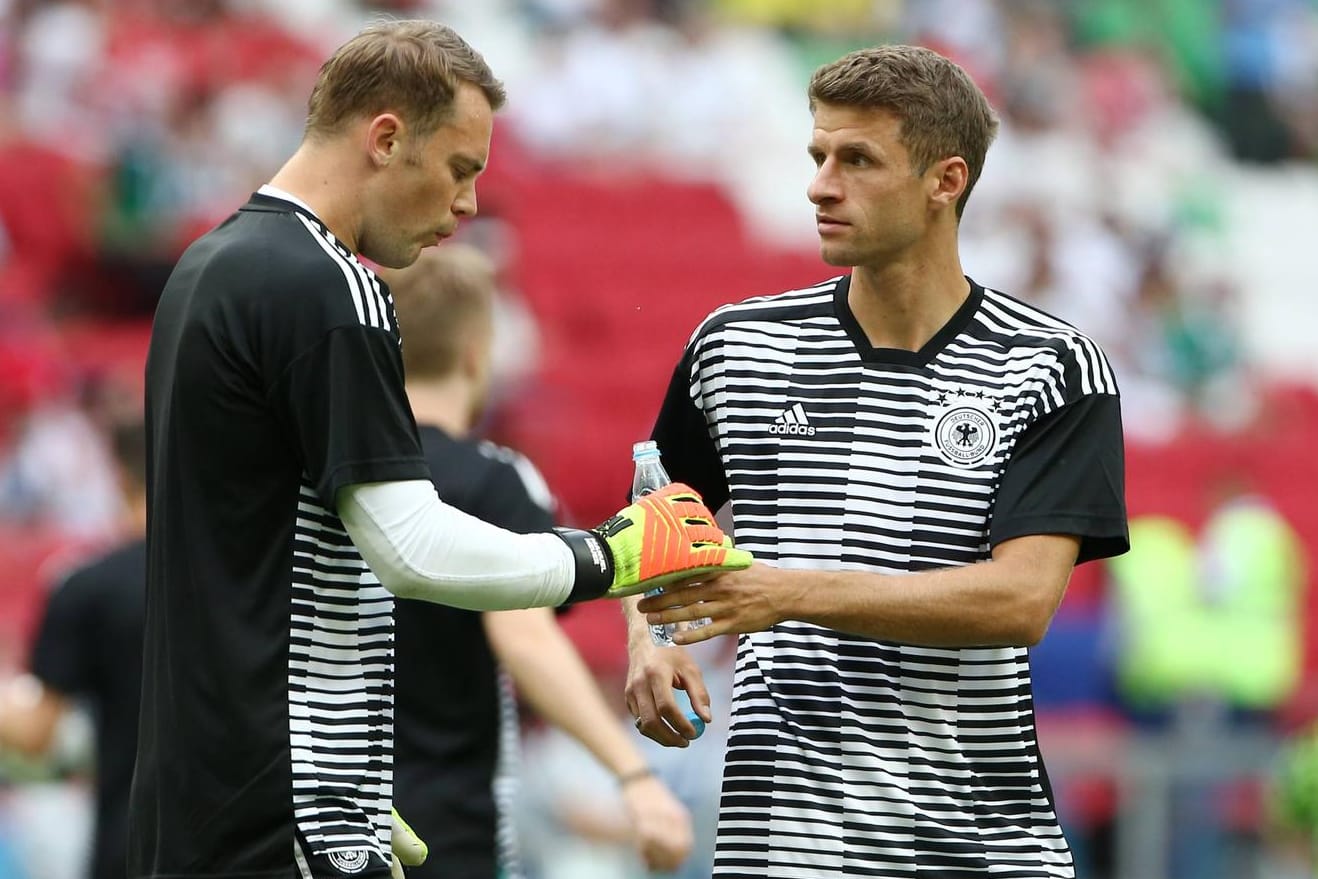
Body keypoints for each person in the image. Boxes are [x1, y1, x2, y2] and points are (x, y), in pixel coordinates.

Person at [130, 20, 748, 879]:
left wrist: (350, 767)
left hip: (203, 790)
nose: (467, 206)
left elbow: (247, 555)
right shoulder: (328, 284)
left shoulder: (210, 267)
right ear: (386, 138)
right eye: (461, 170)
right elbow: (412, 546)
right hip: (284, 811)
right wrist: (611, 555)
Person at [626, 44, 1130, 877]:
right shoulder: (735, 346)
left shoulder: (1051, 365)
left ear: (946, 180)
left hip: (977, 845)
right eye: (818, 155)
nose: (821, 184)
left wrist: (784, 592)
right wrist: (649, 633)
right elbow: (649, 523)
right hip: (781, 842)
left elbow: (1021, 599)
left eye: (857, 159)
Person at [379, 244, 693, 877]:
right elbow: (522, 634)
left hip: (322, 812)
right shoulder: (494, 482)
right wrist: (633, 775)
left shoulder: (333, 479)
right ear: (478, 354)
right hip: (445, 821)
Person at [0, 416, 147, 879]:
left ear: (119, 475)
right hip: (244, 843)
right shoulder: (246, 580)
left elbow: (35, 731)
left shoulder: (91, 588)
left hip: (132, 842)